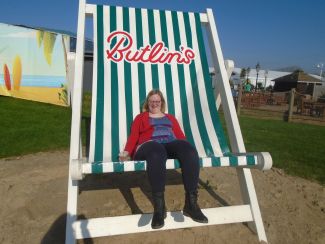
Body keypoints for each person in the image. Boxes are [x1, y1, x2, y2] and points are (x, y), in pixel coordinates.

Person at [119, 89, 208, 229]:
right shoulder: (140, 117)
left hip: (169, 144)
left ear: (162, 103)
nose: (155, 103)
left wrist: (186, 150)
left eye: (157, 101)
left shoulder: (171, 118)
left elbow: (181, 137)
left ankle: (191, 205)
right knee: (157, 150)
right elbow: (133, 137)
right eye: (152, 101)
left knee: (189, 150)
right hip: (148, 146)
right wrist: (126, 152)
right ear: (147, 103)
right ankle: (159, 208)